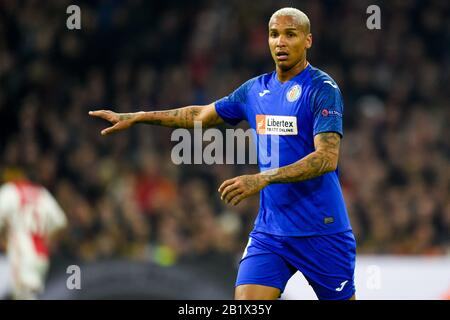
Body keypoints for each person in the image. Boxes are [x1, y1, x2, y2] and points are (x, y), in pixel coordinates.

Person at [89, 7, 356, 300]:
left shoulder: (322, 89)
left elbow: (326, 158)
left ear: (308, 40)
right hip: (271, 232)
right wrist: (140, 116)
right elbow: (199, 115)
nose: (280, 42)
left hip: (322, 230)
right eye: (274, 34)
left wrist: (263, 179)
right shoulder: (255, 91)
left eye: (290, 35)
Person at [0, 172, 67, 299]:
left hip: (21, 252)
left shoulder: (11, 190)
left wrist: (4, 241)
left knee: (23, 295)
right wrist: (48, 240)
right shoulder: (42, 194)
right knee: (28, 294)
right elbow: (61, 222)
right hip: (40, 255)